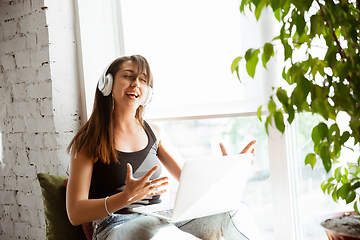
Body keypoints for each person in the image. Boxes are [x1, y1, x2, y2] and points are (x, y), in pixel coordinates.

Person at [66, 55, 260, 240]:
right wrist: (124, 198)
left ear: (148, 93)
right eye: (128, 76)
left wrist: (232, 169)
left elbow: (190, 181)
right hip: (115, 223)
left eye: (142, 80)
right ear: (107, 84)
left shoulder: (155, 133)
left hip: (160, 218)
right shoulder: (88, 141)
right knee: (156, 229)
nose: (135, 83)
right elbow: (75, 212)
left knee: (235, 209)